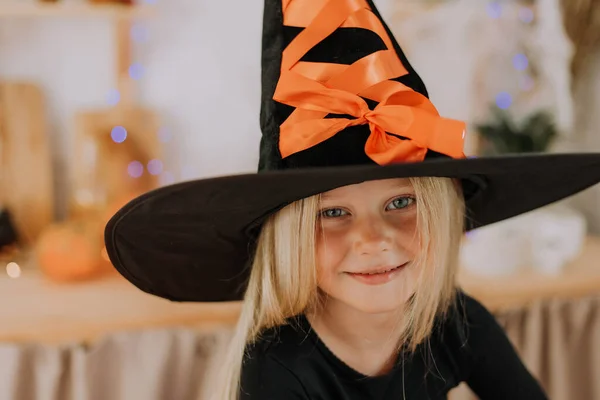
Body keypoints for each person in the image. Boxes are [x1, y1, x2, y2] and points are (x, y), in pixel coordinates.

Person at [103, 0, 600, 399]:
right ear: (289, 239)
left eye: (401, 203)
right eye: (334, 212)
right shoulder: (277, 367)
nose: (373, 239)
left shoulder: (452, 318)